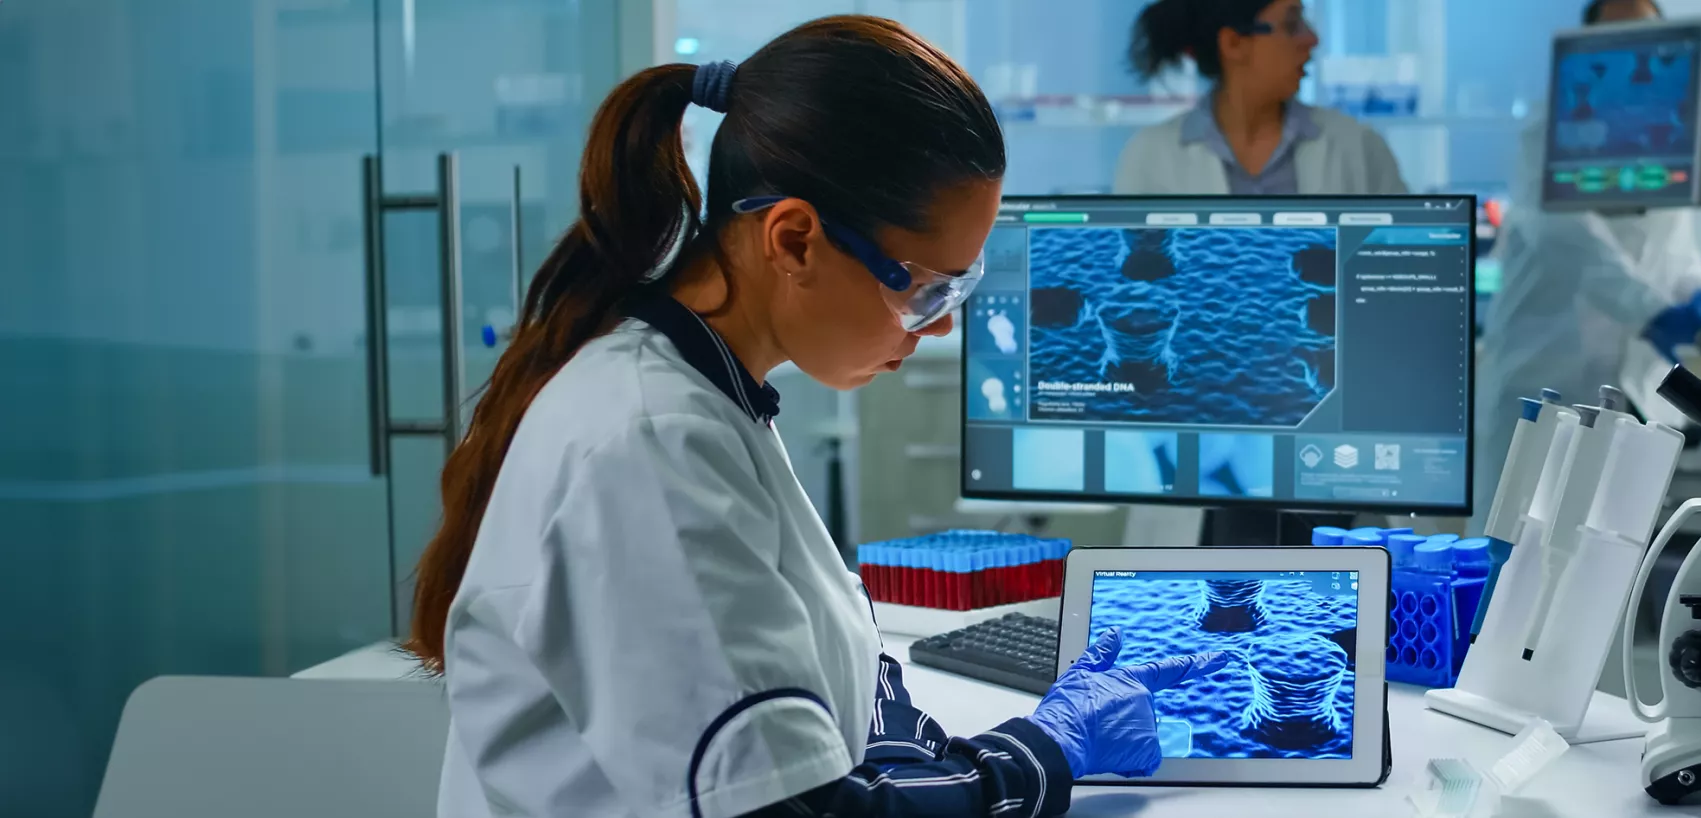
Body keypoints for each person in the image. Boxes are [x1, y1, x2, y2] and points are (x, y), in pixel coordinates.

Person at [413, 16, 1227, 818]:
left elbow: (849, 673)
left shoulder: (712, 395)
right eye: (923, 289)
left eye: (961, 287)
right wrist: (1045, 751)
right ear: (795, 239)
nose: (941, 326)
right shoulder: (651, 442)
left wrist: (938, 758)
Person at [1472, 0, 1701, 532]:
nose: (1636, 62)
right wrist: (1653, 311)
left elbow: (1672, 248)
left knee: (1617, 581)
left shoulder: (1666, 136)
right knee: (1511, 574)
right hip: (1546, 390)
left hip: (1639, 403)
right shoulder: (1549, 130)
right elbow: (1568, 237)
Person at [1114, 0, 1407, 195]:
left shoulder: (1358, 146)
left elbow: (1405, 262)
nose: (1313, 39)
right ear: (1233, 44)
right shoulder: (1149, 157)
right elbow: (1135, 279)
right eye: (1292, 25)